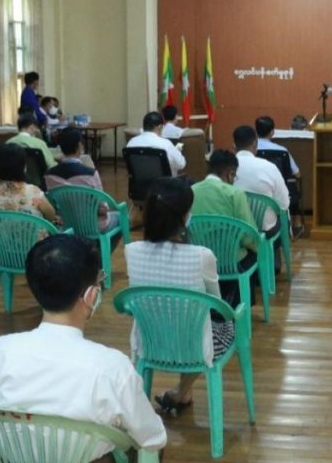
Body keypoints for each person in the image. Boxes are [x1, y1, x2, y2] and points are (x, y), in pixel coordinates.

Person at [0, 234, 166, 463]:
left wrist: (6, 440)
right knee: (144, 453)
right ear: (91, 296)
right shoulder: (111, 367)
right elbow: (152, 437)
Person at [124, 178, 235, 415]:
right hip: (193, 345)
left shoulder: (131, 251)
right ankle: (179, 392)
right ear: (185, 216)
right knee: (217, 324)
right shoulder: (202, 256)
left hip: (150, 341)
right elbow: (217, 304)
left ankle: (182, 393)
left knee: (191, 322)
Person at [191, 150, 258, 306]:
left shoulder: (190, 190)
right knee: (254, 254)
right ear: (230, 173)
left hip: (199, 260)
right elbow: (249, 236)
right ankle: (242, 304)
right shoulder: (235, 194)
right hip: (231, 262)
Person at [45, 128, 120, 234]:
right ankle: (101, 245)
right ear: (80, 146)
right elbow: (102, 208)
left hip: (67, 227)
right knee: (122, 218)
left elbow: (52, 206)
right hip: (94, 226)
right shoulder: (91, 174)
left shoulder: (49, 175)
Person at [233, 125, 290, 234]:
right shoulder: (269, 167)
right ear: (255, 143)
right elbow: (284, 204)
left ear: (234, 145)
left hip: (235, 229)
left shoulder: (225, 169)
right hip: (265, 230)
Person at [0, 143, 58, 221]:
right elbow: (51, 216)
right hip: (31, 229)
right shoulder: (33, 192)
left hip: (0, 229)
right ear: (23, 167)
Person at [126, 111, 186, 176]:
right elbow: (181, 164)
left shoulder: (131, 142)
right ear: (160, 127)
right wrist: (177, 151)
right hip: (165, 182)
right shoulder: (166, 144)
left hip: (140, 182)